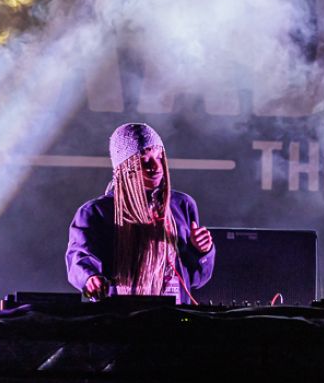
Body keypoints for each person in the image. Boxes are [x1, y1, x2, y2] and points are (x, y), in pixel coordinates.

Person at [65, 123, 215, 302]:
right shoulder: (95, 212)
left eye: (159, 157)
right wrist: (90, 278)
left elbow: (196, 280)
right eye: (144, 160)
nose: (156, 166)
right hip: (121, 317)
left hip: (175, 316)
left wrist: (202, 252)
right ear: (125, 167)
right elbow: (80, 257)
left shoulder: (182, 205)